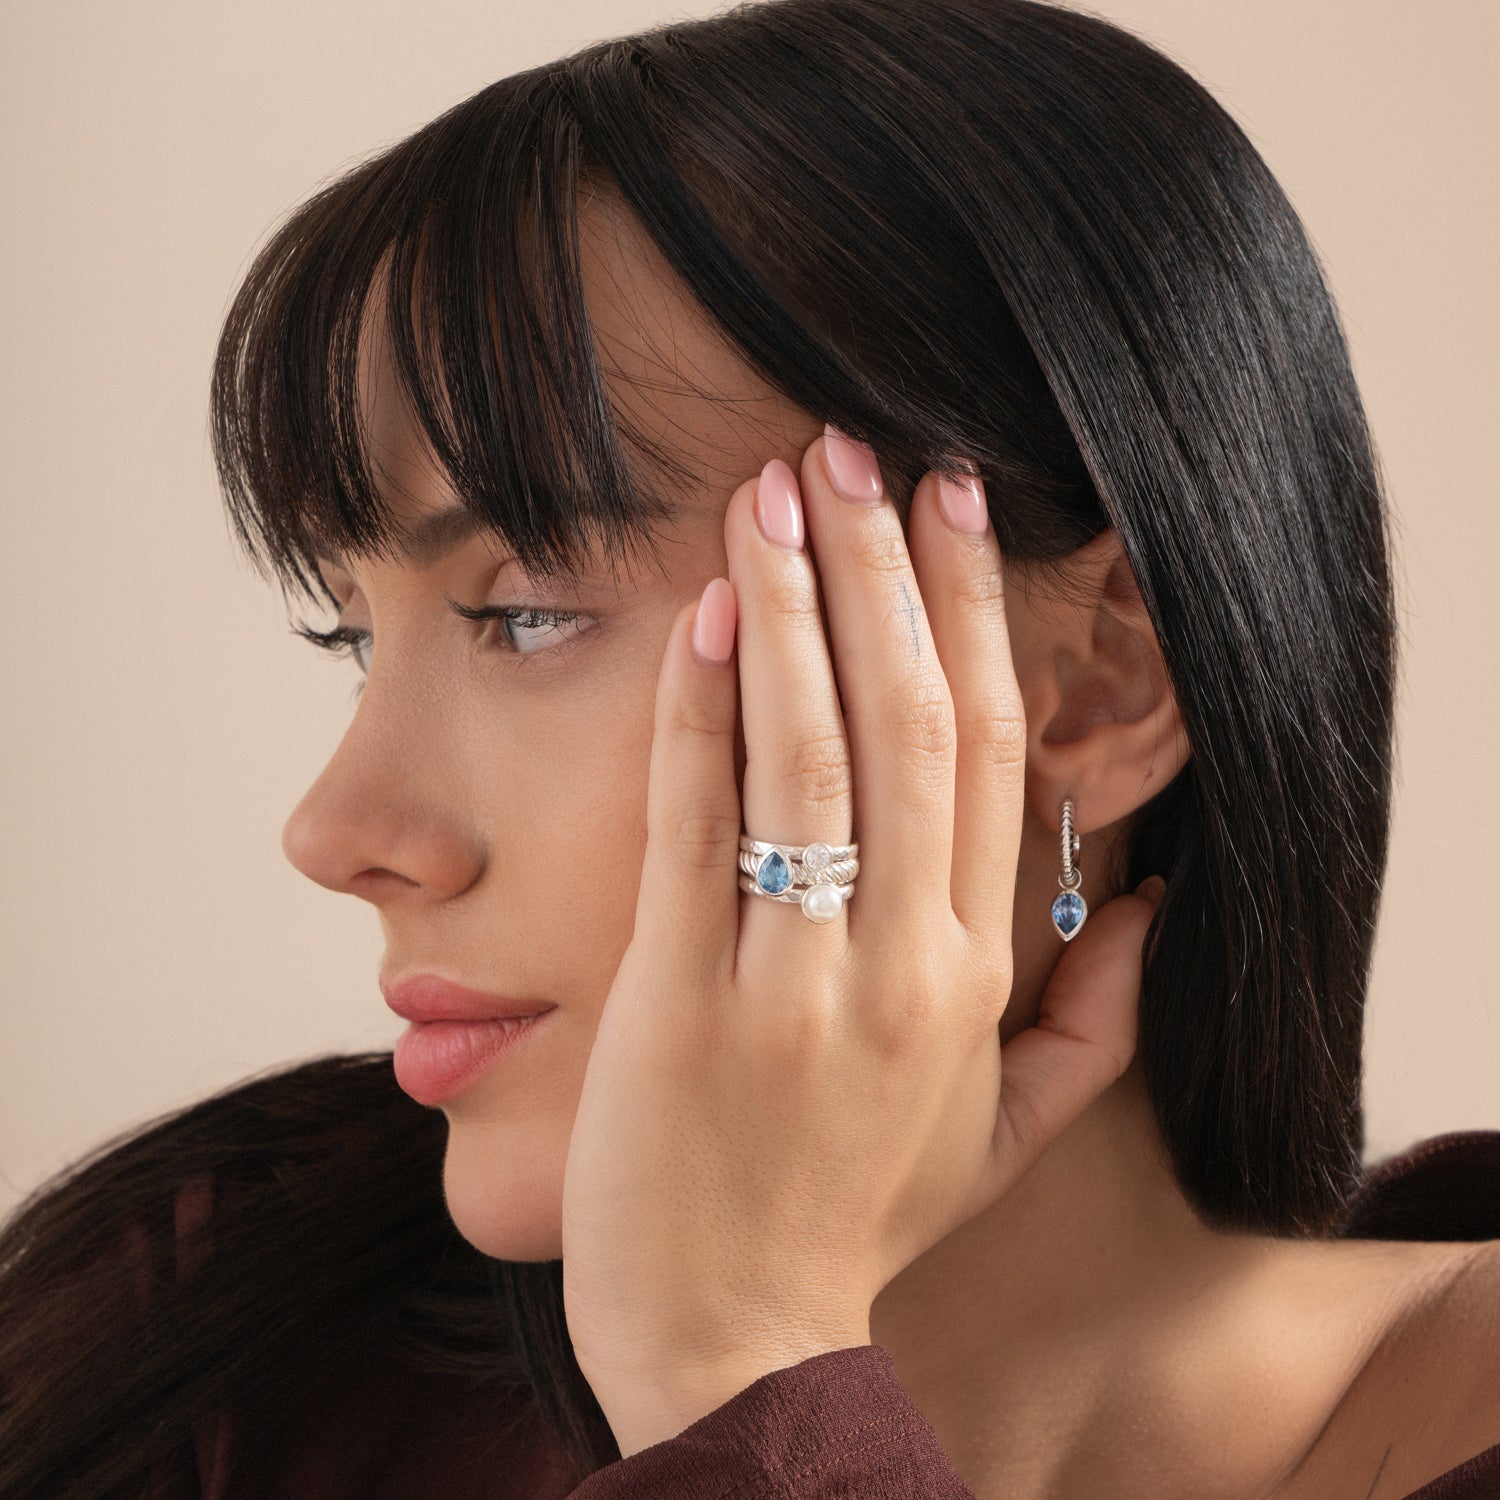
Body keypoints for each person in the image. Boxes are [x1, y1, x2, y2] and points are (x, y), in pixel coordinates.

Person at [2, 0, 1496, 1494]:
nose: (336, 832)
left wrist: (739, 1373)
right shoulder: (209, 1343)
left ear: (1100, 684)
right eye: (352, 640)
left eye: (525, 613)